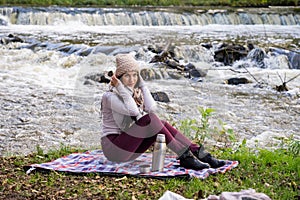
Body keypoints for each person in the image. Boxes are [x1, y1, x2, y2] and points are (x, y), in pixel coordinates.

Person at [100, 54, 225, 170]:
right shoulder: (110, 97)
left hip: (128, 148)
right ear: (119, 78)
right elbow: (133, 111)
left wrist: (142, 85)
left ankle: (200, 153)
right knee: (149, 119)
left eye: (135, 75)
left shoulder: (133, 94)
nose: (132, 80)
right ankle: (184, 155)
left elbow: (151, 108)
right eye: (127, 75)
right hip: (114, 149)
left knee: (161, 123)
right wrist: (120, 87)